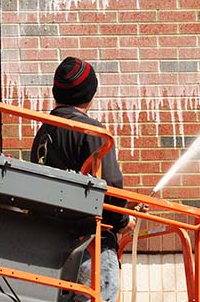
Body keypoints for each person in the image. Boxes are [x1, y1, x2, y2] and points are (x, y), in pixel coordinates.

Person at [30, 56, 136, 302]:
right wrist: (122, 221)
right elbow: (111, 185)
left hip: (52, 249)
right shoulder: (91, 132)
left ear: (56, 91)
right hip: (90, 247)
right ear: (91, 94)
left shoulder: (43, 134)